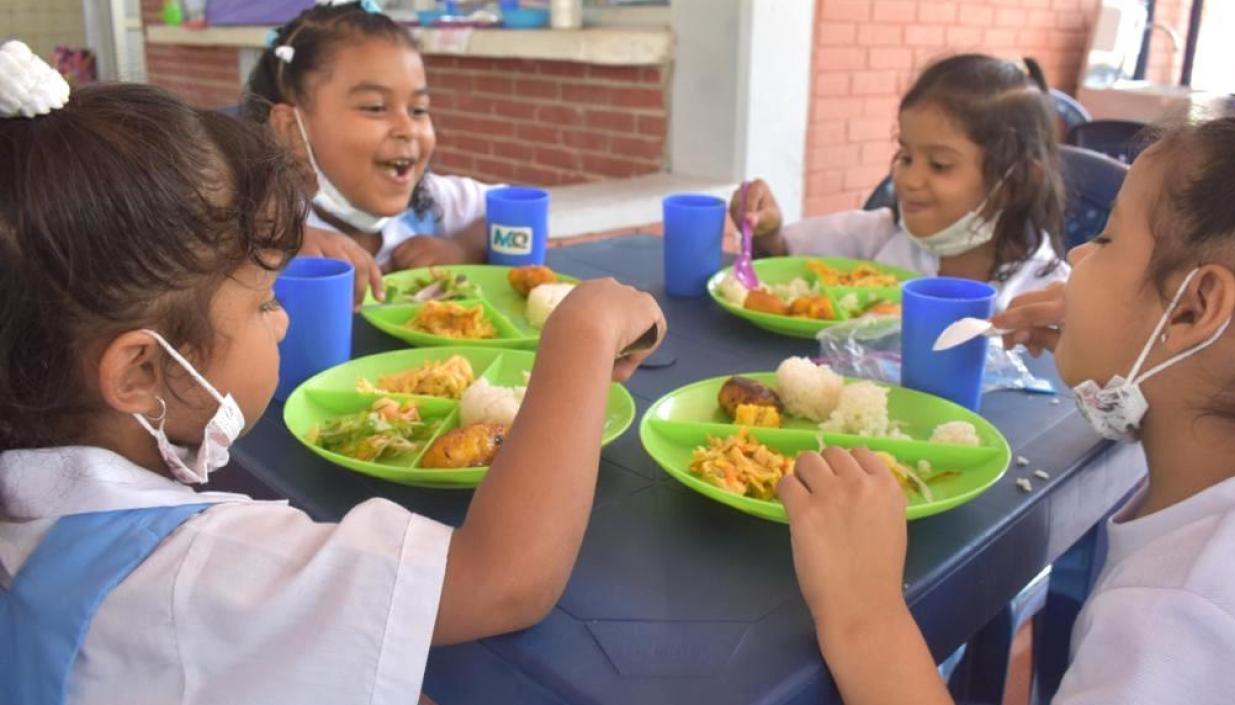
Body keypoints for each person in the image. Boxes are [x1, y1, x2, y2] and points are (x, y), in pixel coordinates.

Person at [0, 46, 665, 705]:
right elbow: (503, 580)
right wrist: (582, 334)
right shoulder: (196, 571)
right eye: (264, 301)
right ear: (142, 371)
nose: (282, 320)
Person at [779, 115, 1235, 704]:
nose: (1080, 255)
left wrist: (865, 615)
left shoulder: (1184, 618)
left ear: (1192, 308)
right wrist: (1121, 339)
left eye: (1106, 240)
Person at [733, 54, 1068, 309]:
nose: (908, 178)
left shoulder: (1052, 293)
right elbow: (782, 259)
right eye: (906, 157)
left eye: (939, 165)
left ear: (1015, 182)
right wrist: (766, 231)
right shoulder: (879, 237)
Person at [244, 0, 498, 305]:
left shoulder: (428, 202)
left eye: (419, 110)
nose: (408, 129)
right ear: (290, 128)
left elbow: (521, 213)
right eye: (376, 107)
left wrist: (462, 249)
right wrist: (281, 245)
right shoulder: (263, 215)